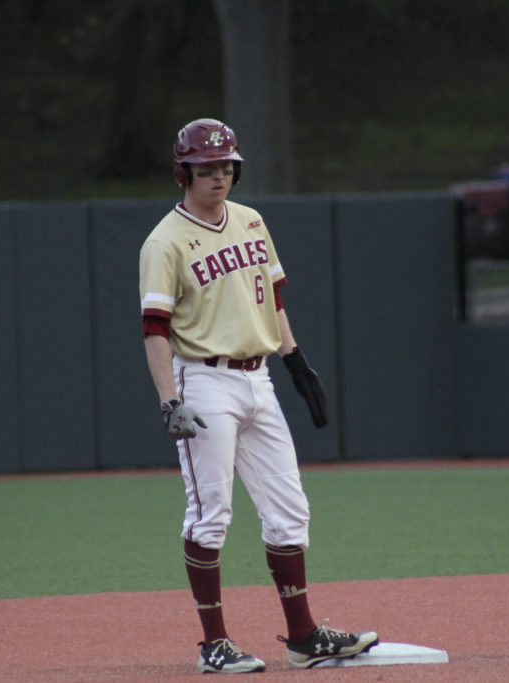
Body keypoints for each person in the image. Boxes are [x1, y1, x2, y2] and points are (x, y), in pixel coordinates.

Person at [139, 118, 379, 674]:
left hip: (258, 378)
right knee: (209, 517)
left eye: (225, 166)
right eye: (205, 167)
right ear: (184, 171)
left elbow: (271, 297)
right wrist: (169, 399)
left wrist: (296, 362)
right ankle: (214, 645)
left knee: (290, 512)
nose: (218, 175)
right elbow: (153, 329)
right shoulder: (165, 241)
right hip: (202, 380)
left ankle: (303, 638)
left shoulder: (251, 221)